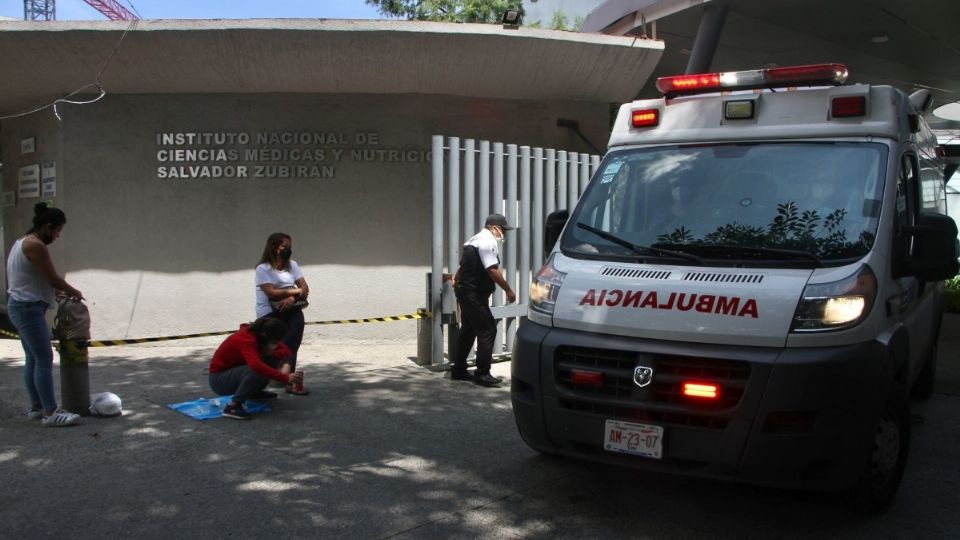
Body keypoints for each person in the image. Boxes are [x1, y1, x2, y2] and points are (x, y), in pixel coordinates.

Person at [6, 203, 84, 427]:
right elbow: (53, 279)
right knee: (43, 359)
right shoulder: (36, 246)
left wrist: (57, 291)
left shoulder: (22, 242)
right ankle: (50, 412)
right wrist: (75, 292)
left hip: (21, 306)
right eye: (57, 230)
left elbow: (35, 278)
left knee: (33, 358)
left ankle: (37, 407)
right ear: (48, 227)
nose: (58, 236)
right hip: (27, 309)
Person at [450, 214, 517, 387]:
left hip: (466, 291)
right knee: (488, 330)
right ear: (494, 228)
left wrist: (457, 277)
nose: (504, 234)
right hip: (473, 294)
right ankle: (482, 374)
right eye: (503, 230)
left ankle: (458, 370)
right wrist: (508, 290)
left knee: (469, 330)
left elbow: (462, 264)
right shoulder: (487, 242)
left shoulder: (474, 240)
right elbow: (492, 269)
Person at [208, 317, 304, 420]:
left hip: (234, 372)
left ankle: (253, 392)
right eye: (274, 341)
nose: (276, 343)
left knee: (272, 357)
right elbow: (256, 366)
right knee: (256, 369)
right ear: (265, 335)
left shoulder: (260, 334)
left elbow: (285, 350)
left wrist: (286, 364)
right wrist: (285, 378)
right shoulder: (246, 339)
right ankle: (233, 406)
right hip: (219, 381)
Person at [255, 232, 310, 395]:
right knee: (270, 344)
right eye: (284, 246)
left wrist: (291, 299)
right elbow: (271, 293)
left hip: (291, 308)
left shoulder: (293, 265)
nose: (288, 250)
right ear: (273, 248)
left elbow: (305, 289)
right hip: (269, 313)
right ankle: (263, 379)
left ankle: (288, 378)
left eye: (289, 247)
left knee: (295, 334)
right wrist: (296, 291)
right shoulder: (262, 268)